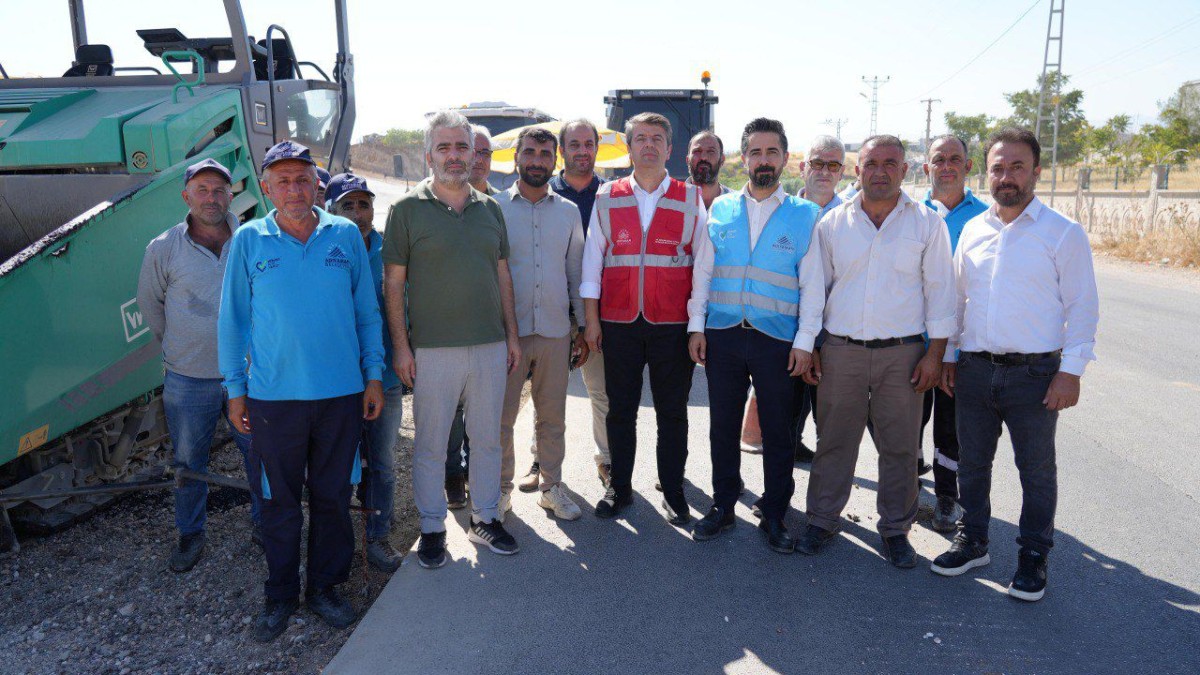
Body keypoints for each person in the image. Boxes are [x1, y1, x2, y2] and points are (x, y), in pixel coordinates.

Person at [218, 141, 385, 641]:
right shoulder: (249, 240)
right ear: (266, 188)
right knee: (278, 501)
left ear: (317, 185)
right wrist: (235, 389)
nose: (294, 190)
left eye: (302, 180)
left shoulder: (344, 236)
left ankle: (325, 588)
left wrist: (373, 375)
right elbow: (232, 321)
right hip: (273, 399)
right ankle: (281, 595)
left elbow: (366, 313)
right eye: (283, 181)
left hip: (340, 396)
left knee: (334, 497)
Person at [931, 127, 1099, 602]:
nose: (1007, 177)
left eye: (1017, 167)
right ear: (986, 173)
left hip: (1036, 375)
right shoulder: (974, 230)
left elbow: (1082, 307)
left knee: (1036, 470)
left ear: (1037, 171)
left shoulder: (1062, 233)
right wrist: (950, 355)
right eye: (998, 168)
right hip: (975, 369)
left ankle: (1033, 555)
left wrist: (1071, 371)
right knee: (972, 464)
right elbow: (957, 300)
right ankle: (974, 542)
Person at [800, 134, 955, 568]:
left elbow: (941, 294)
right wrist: (813, 346)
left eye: (890, 164)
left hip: (903, 355)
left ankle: (895, 530)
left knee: (901, 447)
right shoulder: (832, 224)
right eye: (871, 163)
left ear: (905, 170)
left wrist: (935, 356)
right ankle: (822, 519)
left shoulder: (927, 224)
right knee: (834, 441)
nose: (880, 171)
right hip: (841, 351)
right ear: (858, 170)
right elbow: (816, 291)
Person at [383, 110, 522, 569]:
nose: (454, 155)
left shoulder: (490, 209)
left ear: (473, 153)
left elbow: (502, 274)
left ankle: (485, 518)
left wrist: (512, 335)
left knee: (486, 440)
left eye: (462, 146)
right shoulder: (406, 210)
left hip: (489, 346)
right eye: (444, 147)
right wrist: (401, 347)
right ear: (429, 156)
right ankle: (432, 528)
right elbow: (393, 283)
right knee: (430, 443)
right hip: (432, 350)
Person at [687, 119, 824, 552]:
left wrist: (805, 342)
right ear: (743, 158)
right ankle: (723, 504)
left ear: (784, 158)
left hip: (777, 341)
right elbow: (703, 272)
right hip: (723, 335)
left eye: (772, 152)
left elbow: (813, 285)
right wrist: (696, 326)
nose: (763, 160)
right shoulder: (721, 209)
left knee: (779, 433)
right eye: (756, 152)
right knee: (723, 427)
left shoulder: (805, 215)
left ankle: (776, 512)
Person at [137, 158, 263, 574]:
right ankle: (190, 534)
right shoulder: (163, 248)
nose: (212, 198)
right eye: (202, 190)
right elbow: (151, 307)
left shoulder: (251, 240)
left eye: (219, 190)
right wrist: (181, 348)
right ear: (186, 196)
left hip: (247, 378)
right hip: (188, 380)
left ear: (231, 195)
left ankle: (266, 525)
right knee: (189, 463)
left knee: (260, 454)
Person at [581, 112, 706, 526]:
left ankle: (673, 490)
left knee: (672, 412)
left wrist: (696, 325)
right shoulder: (607, 195)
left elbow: (703, 267)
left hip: (672, 324)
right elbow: (592, 261)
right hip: (619, 322)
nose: (649, 145)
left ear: (669, 149)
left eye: (657, 139)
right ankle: (619, 488)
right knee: (620, 410)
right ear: (629, 148)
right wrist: (592, 321)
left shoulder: (690, 198)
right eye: (641, 138)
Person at [495, 127, 588, 520]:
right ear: (517, 157)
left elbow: (576, 271)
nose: (537, 160)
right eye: (530, 152)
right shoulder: (494, 208)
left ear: (555, 160)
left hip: (555, 330)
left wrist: (582, 327)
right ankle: (499, 491)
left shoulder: (568, 212)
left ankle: (551, 487)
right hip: (507, 334)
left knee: (552, 417)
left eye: (545, 154)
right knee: (501, 418)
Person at [744, 135, 849, 464]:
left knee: (831, 420)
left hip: (836, 335)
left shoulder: (853, 217)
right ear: (803, 167)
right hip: (788, 333)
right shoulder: (780, 211)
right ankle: (781, 479)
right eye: (817, 163)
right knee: (785, 417)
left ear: (842, 171)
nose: (824, 171)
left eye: (833, 165)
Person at [325, 172, 405, 573]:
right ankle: (336, 542)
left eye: (364, 205)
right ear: (330, 210)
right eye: (348, 206)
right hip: (336, 382)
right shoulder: (323, 249)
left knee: (383, 462)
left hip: (384, 377)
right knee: (338, 465)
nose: (358, 214)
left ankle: (377, 536)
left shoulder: (391, 250)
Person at [919, 134, 989, 532]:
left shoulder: (986, 219)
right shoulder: (909, 213)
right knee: (907, 420)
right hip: (912, 342)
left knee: (950, 427)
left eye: (955, 159)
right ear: (926, 167)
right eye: (938, 159)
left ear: (968, 166)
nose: (946, 166)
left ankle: (947, 497)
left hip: (959, 348)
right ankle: (908, 483)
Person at [547, 119, 611, 487]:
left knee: (600, 392)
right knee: (547, 394)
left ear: (597, 148)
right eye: (574, 144)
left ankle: (607, 460)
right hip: (553, 310)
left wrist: (590, 321)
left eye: (589, 144)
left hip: (597, 312)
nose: (582, 151)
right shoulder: (545, 192)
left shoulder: (611, 194)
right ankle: (540, 462)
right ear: (562, 150)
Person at [685, 130, 732, 209]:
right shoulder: (670, 201)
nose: (704, 157)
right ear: (687, 160)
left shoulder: (737, 203)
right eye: (697, 151)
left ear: (722, 160)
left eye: (711, 151)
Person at [469, 124, 500, 196]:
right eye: (472, 152)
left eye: (485, 153)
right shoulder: (444, 200)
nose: (479, 160)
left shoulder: (502, 201)